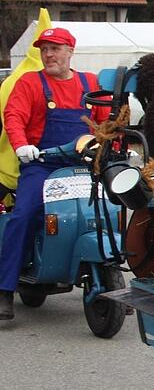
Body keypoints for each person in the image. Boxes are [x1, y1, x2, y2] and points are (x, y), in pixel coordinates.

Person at [0, 27, 107, 320]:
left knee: (110, 208)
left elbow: (106, 121)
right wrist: (22, 146)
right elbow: (14, 116)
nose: (48, 55)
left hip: (83, 164)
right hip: (42, 164)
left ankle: (109, 275)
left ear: (70, 51)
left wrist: (117, 146)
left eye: (55, 48)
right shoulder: (29, 83)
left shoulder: (91, 82)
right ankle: (5, 289)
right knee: (24, 214)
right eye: (44, 49)